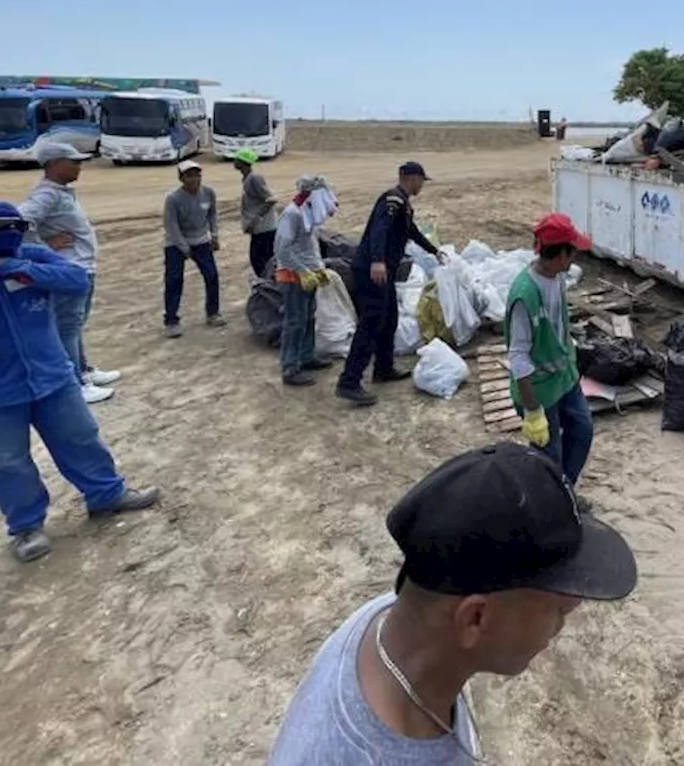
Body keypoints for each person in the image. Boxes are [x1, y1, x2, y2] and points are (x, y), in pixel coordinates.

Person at [267, 442, 637, 765]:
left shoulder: (389, 622)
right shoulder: (371, 755)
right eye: (559, 607)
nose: (573, 610)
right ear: (475, 618)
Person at [0, 202, 160, 563]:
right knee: (7, 461)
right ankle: (26, 526)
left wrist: (21, 269)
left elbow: (76, 280)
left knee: (81, 437)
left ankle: (106, 495)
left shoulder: (32, 257)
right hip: (1, 391)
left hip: (53, 375)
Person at [19, 140, 121, 404]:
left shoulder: (61, 192)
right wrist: (43, 248)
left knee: (75, 325)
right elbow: (20, 222)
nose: (80, 166)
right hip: (67, 270)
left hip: (81, 268)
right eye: (74, 162)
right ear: (54, 164)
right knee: (67, 327)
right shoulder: (47, 194)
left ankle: (84, 370)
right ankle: (75, 382)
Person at [336, 161, 442, 407]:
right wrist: (377, 260)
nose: (422, 186)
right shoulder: (392, 200)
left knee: (390, 318)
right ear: (409, 178)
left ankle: (383, 368)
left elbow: (412, 232)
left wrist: (434, 251)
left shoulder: (403, 204)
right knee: (371, 323)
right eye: (421, 180)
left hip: (384, 271)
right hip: (373, 271)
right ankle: (348, 382)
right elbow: (378, 231)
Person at [505, 213, 595, 500]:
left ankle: (563, 493)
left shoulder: (557, 277)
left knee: (582, 431)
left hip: (565, 379)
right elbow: (518, 356)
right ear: (560, 255)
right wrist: (532, 412)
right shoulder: (525, 294)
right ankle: (551, 504)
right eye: (573, 251)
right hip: (540, 391)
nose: (575, 257)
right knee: (549, 457)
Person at [274, 174, 339, 387]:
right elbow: (282, 250)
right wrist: (303, 271)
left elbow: (310, 246)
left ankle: (306, 356)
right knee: (294, 322)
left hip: (308, 276)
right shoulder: (291, 215)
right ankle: (290, 367)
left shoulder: (308, 213)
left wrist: (318, 269)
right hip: (294, 277)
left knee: (309, 318)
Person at [163, 160, 225, 338]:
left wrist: (214, 235)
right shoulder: (173, 199)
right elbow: (171, 225)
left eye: (197, 175)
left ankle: (213, 312)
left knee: (211, 275)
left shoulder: (208, 193)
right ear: (182, 179)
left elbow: (212, 214)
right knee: (174, 280)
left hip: (200, 239)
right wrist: (183, 247)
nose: (194, 179)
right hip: (175, 242)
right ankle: (171, 320)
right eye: (189, 176)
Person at [234, 148, 279, 279]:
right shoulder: (247, 179)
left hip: (265, 229)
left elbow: (271, 199)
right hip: (258, 229)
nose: (234, 162)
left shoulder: (254, 179)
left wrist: (256, 218)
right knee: (260, 260)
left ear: (242, 162)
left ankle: (269, 285)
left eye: (237, 159)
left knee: (261, 261)